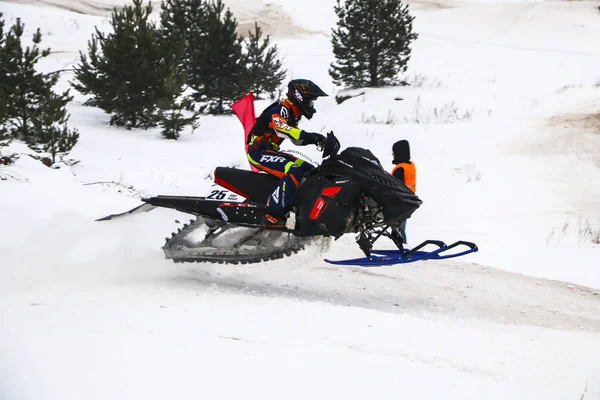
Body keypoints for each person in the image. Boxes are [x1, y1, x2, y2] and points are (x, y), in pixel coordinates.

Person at [247, 79, 328, 226]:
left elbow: (296, 139)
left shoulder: (292, 113)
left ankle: (302, 208)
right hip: (258, 153)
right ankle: (272, 214)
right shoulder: (281, 108)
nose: (311, 106)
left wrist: (319, 139)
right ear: (299, 97)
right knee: (293, 170)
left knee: (312, 171)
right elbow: (281, 129)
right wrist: (311, 136)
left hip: (271, 152)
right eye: (310, 101)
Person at [391, 139, 416, 243]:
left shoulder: (400, 169)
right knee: (400, 227)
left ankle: (401, 247)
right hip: (408, 201)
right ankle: (400, 246)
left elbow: (395, 187)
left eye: (394, 152)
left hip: (400, 203)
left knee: (398, 228)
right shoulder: (410, 166)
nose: (392, 154)